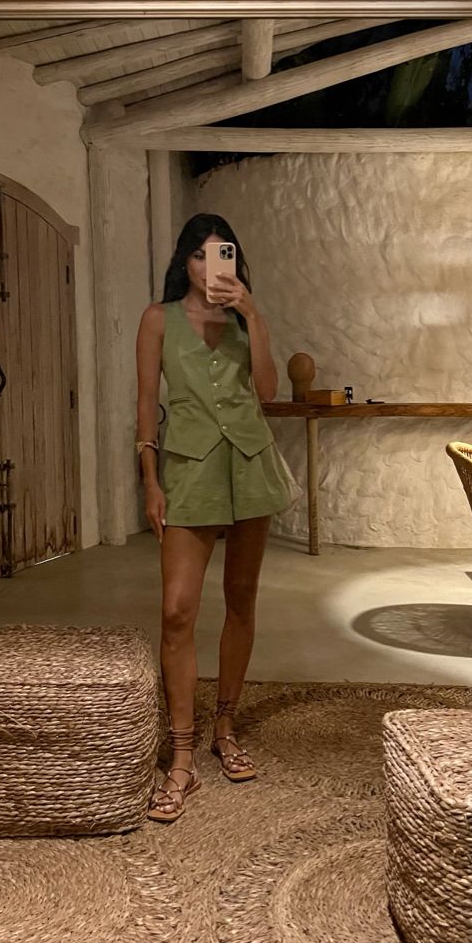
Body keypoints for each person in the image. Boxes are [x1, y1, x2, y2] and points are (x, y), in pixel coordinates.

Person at [135, 213, 298, 823]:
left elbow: (266, 391)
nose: (210, 267)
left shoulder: (241, 319)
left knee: (241, 599)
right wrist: (151, 482)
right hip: (188, 471)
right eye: (200, 256)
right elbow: (146, 406)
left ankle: (224, 728)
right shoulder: (158, 319)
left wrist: (253, 315)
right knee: (177, 610)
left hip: (250, 466)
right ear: (185, 262)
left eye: (220, 254)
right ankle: (180, 756)